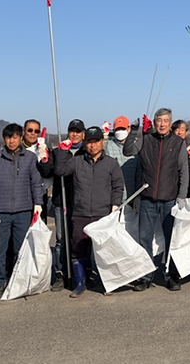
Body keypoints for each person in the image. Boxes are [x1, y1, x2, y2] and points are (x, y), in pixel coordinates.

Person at [0, 123, 45, 299]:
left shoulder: (29, 158)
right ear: (4, 139)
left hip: (24, 210)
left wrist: (38, 203)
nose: (11, 141)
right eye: (8, 137)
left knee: (20, 249)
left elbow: (36, 182)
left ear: (21, 138)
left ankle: (17, 280)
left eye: (14, 137)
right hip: (1, 210)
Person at [54, 126, 124, 297]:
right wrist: (63, 151)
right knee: (78, 250)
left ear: (102, 142)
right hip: (80, 213)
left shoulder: (111, 163)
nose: (92, 145)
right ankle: (80, 284)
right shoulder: (76, 162)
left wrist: (115, 205)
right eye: (89, 142)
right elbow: (60, 170)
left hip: (103, 214)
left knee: (104, 251)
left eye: (96, 141)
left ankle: (107, 283)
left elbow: (118, 186)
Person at [123, 108, 188, 292]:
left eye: (166, 120)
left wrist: (182, 195)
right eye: (159, 120)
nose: (162, 124)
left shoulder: (178, 142)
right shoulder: (146, 139)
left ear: (170, 122)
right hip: (147, 199)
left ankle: (170, 275)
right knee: (145, 238)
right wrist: (134, 132)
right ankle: (145, 276)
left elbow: (184, 170)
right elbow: (128, 151)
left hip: (169, 199)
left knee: (171, 239)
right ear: (154, 121)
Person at [46, 119, 87, 291]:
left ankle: (83, 273)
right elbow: (48, 171)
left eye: (78, 131)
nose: (75, 134)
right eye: (72, 131)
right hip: (61, 201)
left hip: (81, 203)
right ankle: (60, 273)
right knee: (61, 239)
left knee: (79, 239)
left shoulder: (87, 152)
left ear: (83, 134)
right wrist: (44, 158)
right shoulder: (58, 151)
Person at [103, 115, 143, 202]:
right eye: (117, 129)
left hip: (131, 198)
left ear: (128, 129)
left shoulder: (136, 147)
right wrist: (104, 135)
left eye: (123, 128)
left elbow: (139, 174)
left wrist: (138, 197)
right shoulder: (107, 146)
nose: (120, 131)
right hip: (113, 198)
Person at [22, 119, 53, 222]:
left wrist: (44, 159)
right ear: (24, 131)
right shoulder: (17, 148)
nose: (33, 134)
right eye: (30, 130)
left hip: (40, 194)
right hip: (21, 195)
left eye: (36, 131)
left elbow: (48, 173)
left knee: (39, 231)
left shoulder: (45, 148)